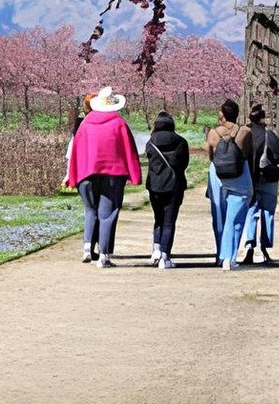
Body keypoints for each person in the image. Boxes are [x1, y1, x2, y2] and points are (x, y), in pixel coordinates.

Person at [66, 85, 141, 267]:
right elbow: (129, 150)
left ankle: (86, 246)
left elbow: (76, 151)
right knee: (107, 214)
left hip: (87, 173)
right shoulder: (119, 123)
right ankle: (104, 255)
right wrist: (134, 175)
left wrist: (73, 175)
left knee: (91, 210)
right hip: (113, 174)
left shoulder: (85, 124)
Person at [205, 98, 255, 271]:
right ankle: (230, 257)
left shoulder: (213, 133)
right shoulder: (245, 131)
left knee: (219, 216)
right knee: (235, 218)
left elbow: (210, 155)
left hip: (218, 174)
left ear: (222, 114)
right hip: (240, 175)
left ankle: (220, 254)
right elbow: (248, 154)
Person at [243, 102, 279, 265]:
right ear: (263, 119)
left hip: (249, 178)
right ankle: (264, 248)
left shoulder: (244, 134)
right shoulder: (269, 135)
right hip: (267, 178)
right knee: (268, 212)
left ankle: (249, 245)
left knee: (251, 212)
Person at [144, 109, 189, 269]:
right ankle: (165, 256)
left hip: (155, 186)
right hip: (174, 185)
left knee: (158, 218)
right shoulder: (181, 142)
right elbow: (184, 163)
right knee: (169, 221)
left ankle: (156, 249)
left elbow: (150, 160)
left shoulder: (151, 142)